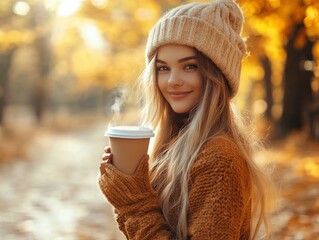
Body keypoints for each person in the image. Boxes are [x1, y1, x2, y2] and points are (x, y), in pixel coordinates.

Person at [98, 0, 274, 239]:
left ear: (217, 75)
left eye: (189, 66)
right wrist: (126, 188)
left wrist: (134, 203)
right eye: (163, 68)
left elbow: (143, 217)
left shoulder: (219, 159)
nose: (172, 81)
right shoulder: (171, 146)